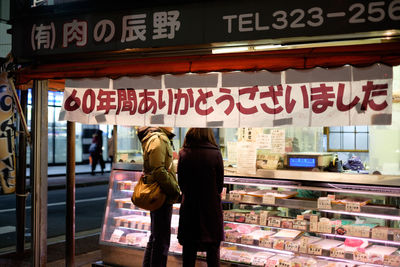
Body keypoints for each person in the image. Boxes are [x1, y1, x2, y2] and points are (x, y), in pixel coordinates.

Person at [177, 128, 224, 267]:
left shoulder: (184, 153)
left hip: (190, 209)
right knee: (213, 252)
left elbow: (182, 184)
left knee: (189, 253)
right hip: (211, 210)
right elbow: (219, 186)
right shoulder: (216, 154)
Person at [137, 126, 181, 267]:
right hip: (161, 194)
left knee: (156, 237)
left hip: (160, 193)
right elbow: (159, 170)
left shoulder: (158, 138)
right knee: (161, 240)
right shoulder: (158, 139)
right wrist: (175, 191)